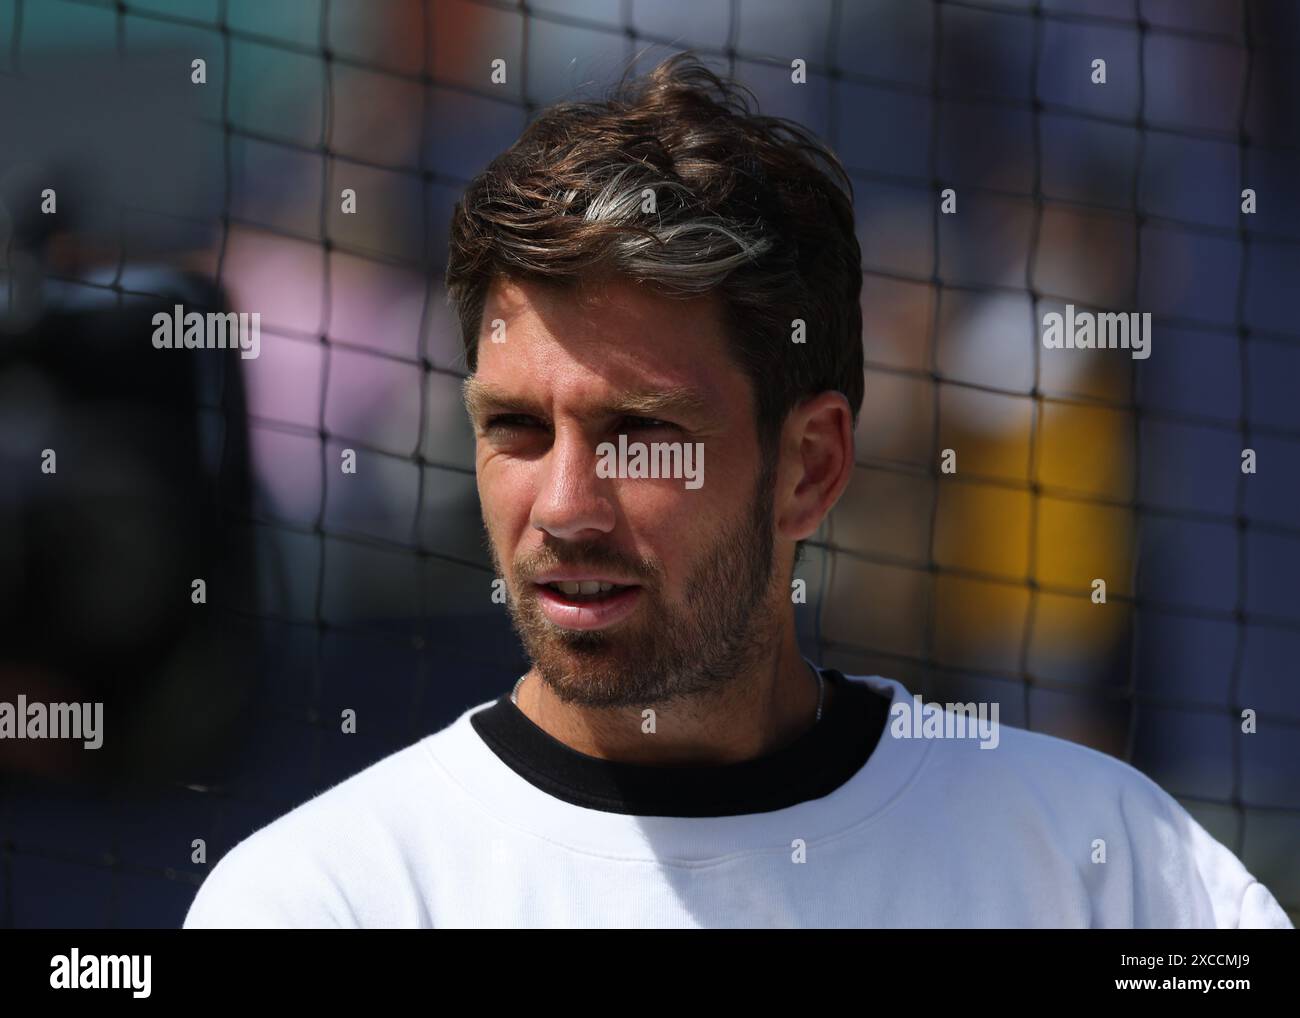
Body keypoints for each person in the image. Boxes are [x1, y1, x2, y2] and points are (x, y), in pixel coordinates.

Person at [183, 53, 1291, 929]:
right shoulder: (319, 902)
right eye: (515, 428)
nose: (562, 506)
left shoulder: (1110, 863)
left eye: (641, 432)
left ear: (809, 466)